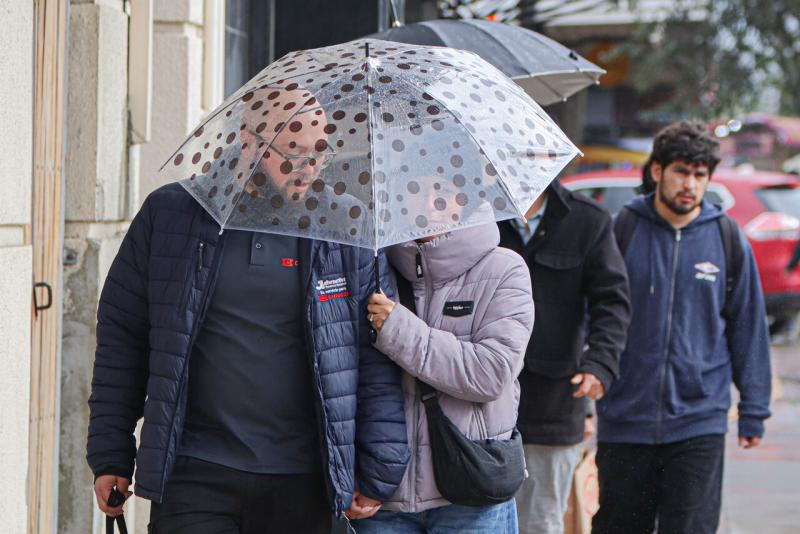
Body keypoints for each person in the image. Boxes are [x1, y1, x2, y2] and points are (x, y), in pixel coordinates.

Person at [86, 86, 410, 533]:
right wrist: (110, 451)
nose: (309, 167)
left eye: (319, 151)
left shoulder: (346, 226)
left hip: (306, 478)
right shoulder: (174, 214)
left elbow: (375, 351)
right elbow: (123, 336)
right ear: (249, 141)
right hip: (196, 470)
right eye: (293, 151)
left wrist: (378, 468)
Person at [593, 120, 772, 534]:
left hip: (699, 419)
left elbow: (748, 325)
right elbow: (596, 313)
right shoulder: (624, 229)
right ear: (657, 171)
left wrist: (753, 410)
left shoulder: (726, 238)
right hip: (626, 416)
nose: (689, 184)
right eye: (681, 171)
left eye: (699, 174)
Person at [353, 199, 535, 533]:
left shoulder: (504, 269)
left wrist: (398, 331)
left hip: (470, 490)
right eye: (416, 187)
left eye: (442, 188)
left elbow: (492, 374)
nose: (428, 200)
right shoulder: (373, 266)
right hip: (382, 495)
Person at [496, 178, 631, 534]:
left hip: (553, 402)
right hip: (479, 397)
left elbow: (612, 303)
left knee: (540, 521)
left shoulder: (588, 219)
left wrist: (599, 364)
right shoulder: (475, 212)